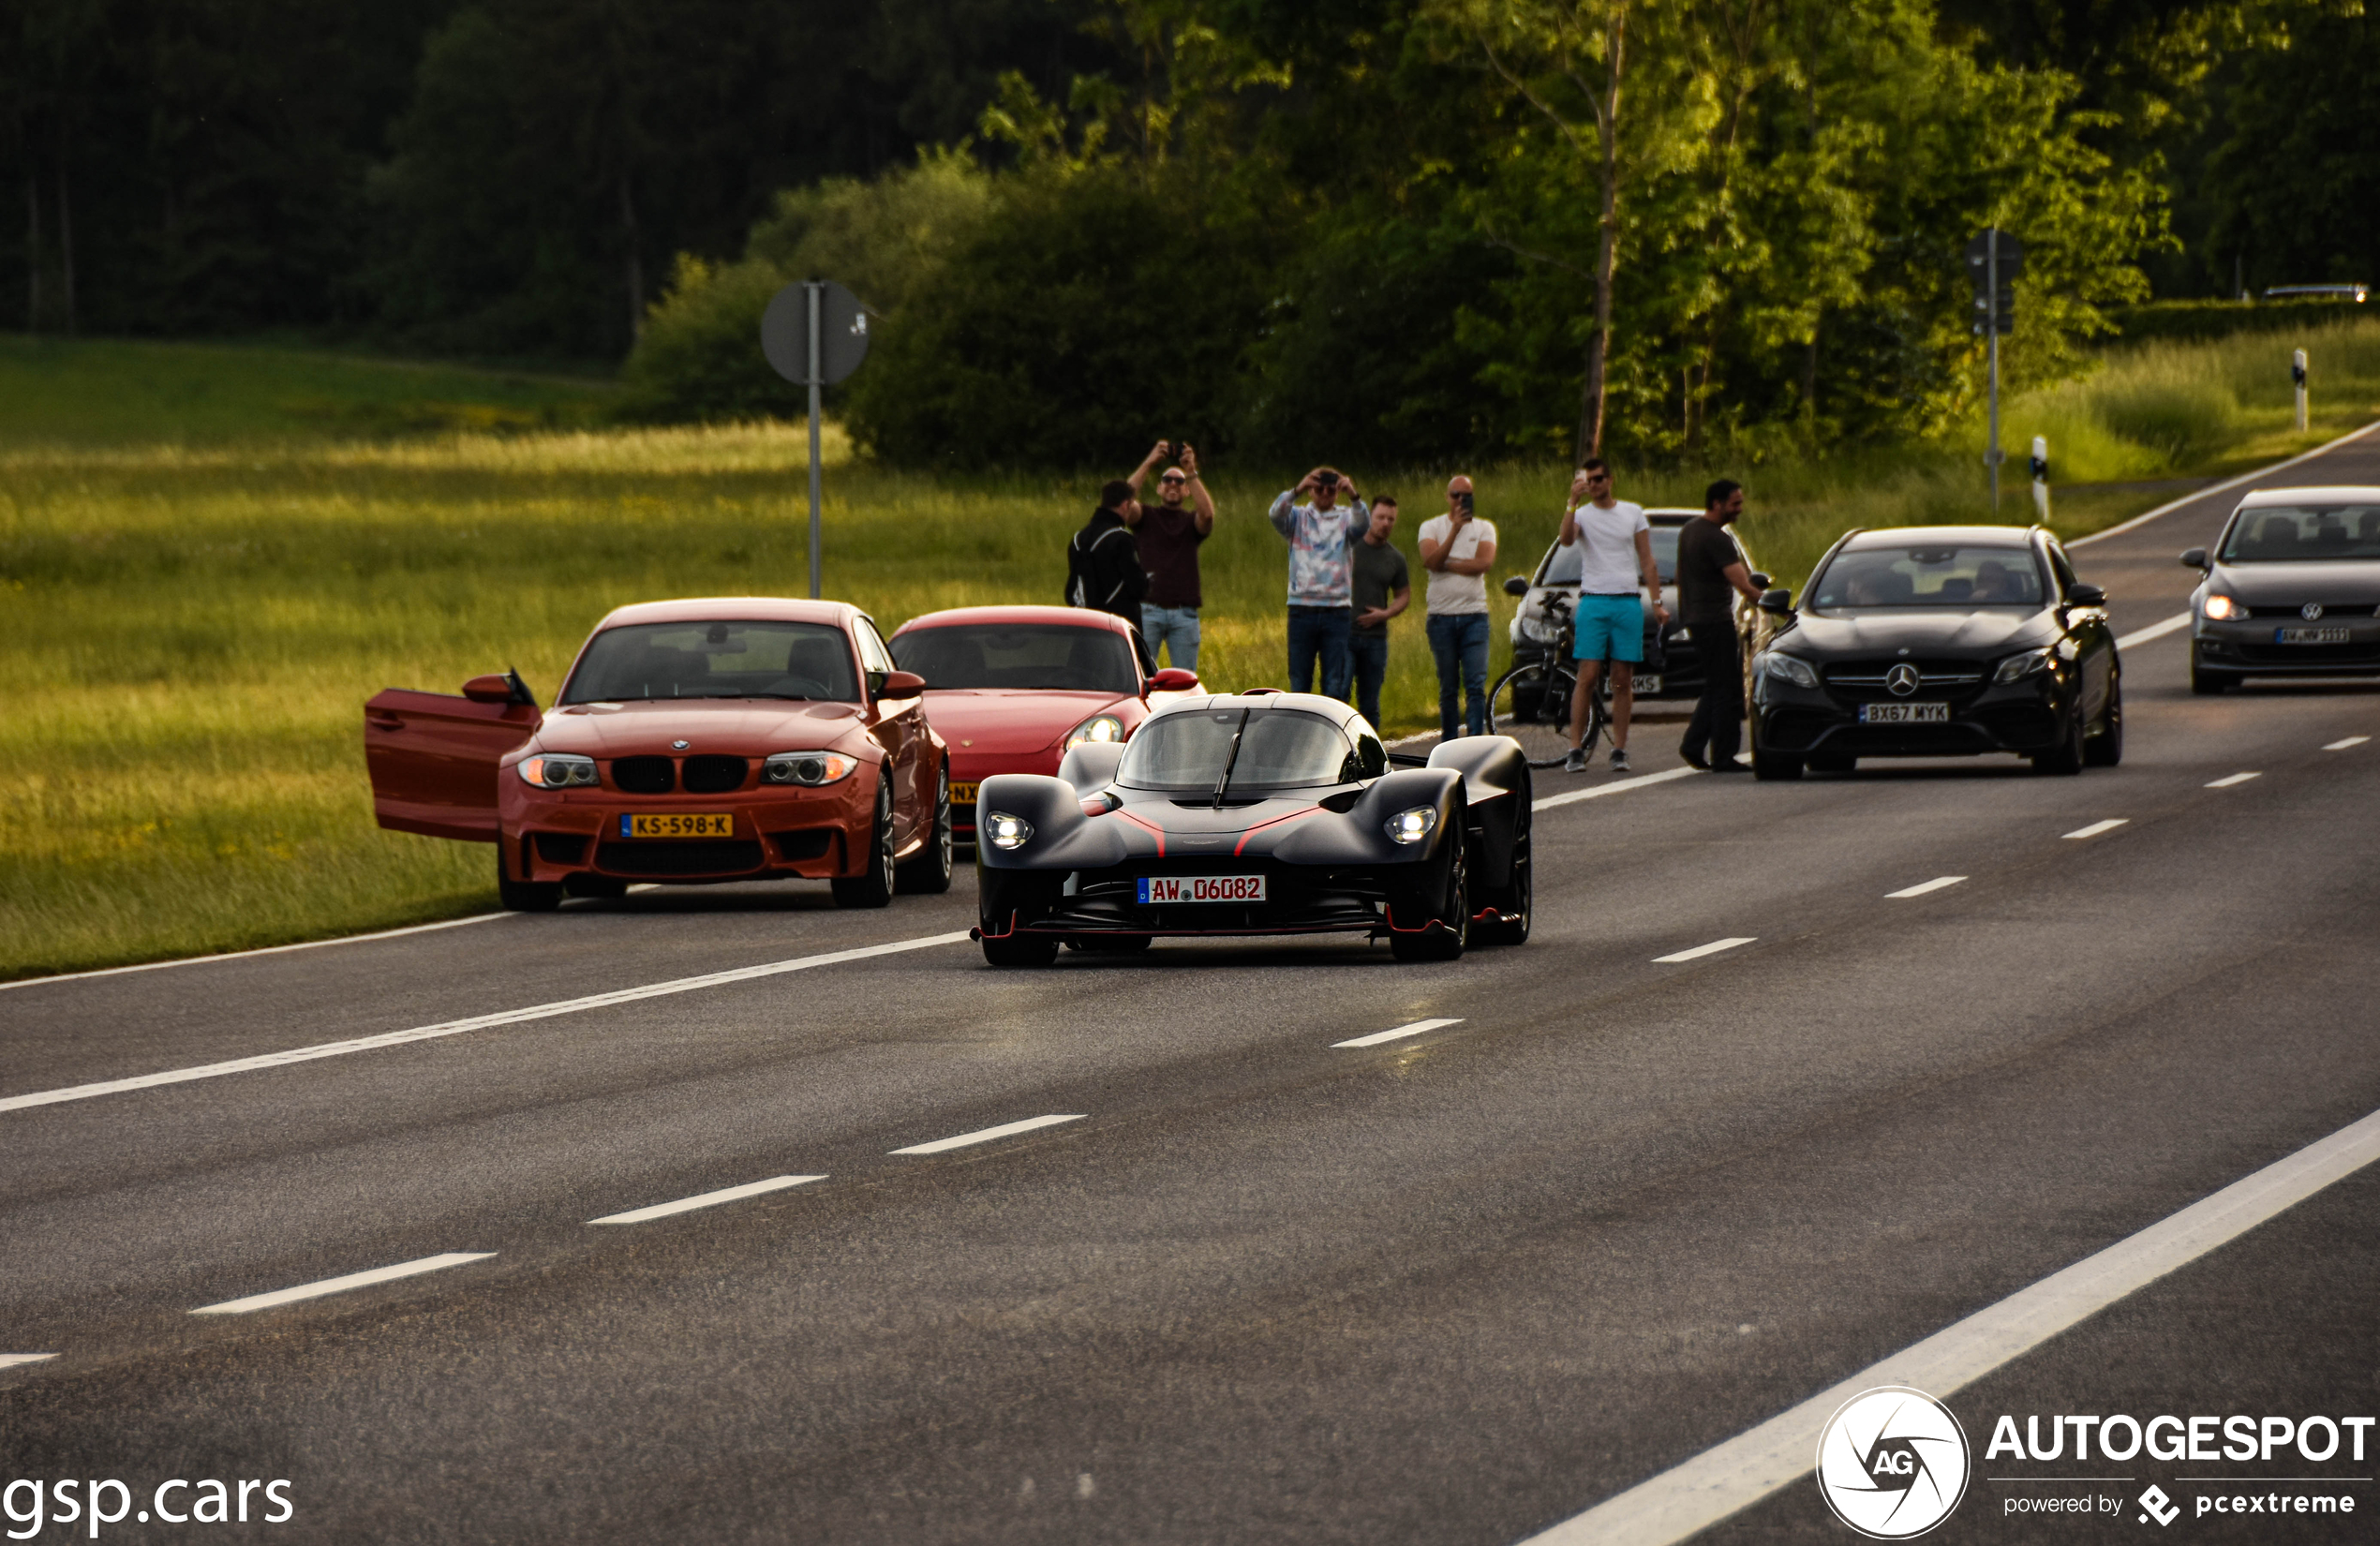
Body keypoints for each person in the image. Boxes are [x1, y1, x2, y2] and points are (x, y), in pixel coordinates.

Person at [1556, 458, 1668, 774]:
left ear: (1610, 479)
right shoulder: (1582, 515)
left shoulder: (1632, 512)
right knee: (1587, 675)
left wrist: (1656, 601)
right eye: (1589, 481)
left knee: (1622, 679)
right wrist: (1572, 502)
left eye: (1599, 479)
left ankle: (1619, 748)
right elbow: (1566, 540)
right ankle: (1575, 747)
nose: (1594, 485)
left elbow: (1647, 560)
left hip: (1627, 601)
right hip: (1594, 600)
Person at [1675, 478, 1763, 772]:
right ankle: (1724, 756)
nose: (1739, 509)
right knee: (1728, 688)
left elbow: (1680, 575)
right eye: (1735, 503)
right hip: (1715, 620)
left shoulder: (1689, 530)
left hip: (1696, 619)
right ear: (1717, 503)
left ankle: (1693, 745)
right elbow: (1744, 585)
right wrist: (1779, 608)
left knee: (1715, 684)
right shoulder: (1716, 538)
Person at [1268, 466, 1371, 697]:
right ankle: (1302, 731)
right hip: (1301, 608)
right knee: (1299, 681)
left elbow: (1364, 526)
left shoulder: (1346, 518)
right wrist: (1298, 490)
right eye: (1319, 488)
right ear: (1311, 491)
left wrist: (1353, 495)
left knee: (1335, 683)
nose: (1325, 493)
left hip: (1336, 611)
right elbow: (1275, 514)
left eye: (1331, 489)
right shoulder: (1298, 518)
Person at [1417, 474, 1498, 740]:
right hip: (1441, 618)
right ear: (1447, 497)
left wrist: (1446, 563)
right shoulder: (1431, 527)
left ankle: (1475, 742)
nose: (1461, 501)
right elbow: (1430, 559)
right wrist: (1454, 532)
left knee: (1475, 685)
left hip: (1475, 616)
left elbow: (1483, 564)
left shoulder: (1485, 528)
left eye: (1467, 495)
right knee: (1448, 688)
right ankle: (1449, 743)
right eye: (1456, 495)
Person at [1124, 439, 1213, 671]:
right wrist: (1149, 462)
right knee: (1140, 678)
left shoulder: (1190, 522)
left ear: (1187, 490)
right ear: (1159, 487)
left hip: (1184, 614)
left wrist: (1191, 471)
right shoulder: (1145, 516)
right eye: (1167, 480)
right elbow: (1123, 503)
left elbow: (1207, 515)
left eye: (1179, 481)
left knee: (1185, 683)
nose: (1173, 483)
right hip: (1148, 610)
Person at [1348, 497, 1411, 730]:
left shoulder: (1395, 558)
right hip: (1344, 634)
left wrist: (1385, 614)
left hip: (1375, 639)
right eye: (1381, 517)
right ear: (1370, 518)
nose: (1385, 523)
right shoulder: (1350, 548)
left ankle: (1371, 756)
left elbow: (1404, 595)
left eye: (1391, 519)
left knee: (1370, 703)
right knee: (1338, 695)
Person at [1066, 479, 1147, 626]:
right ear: (1126, 505)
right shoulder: (1121, 539)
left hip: (1084, 624)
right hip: (1115, 627)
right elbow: (1138, 588)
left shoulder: (1077, 539)